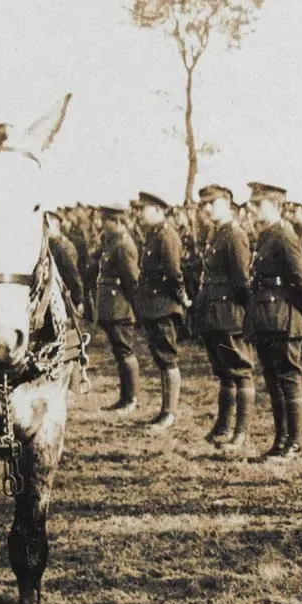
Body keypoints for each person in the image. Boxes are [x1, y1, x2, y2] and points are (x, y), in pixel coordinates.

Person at [245, 182, 302, 462]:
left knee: (288, 379)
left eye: (258, 204)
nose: (252, 209)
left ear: (274, 205)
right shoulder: (266, 235)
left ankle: (293, 444)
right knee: (273, 380)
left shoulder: (284, 234)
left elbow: (300, 279)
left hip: (284, 317)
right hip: (267, 317)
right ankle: (281, 440)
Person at [192, 185, 256, 450]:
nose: (207, 209)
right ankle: (222, 427)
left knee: (240, 372)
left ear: (227, 203)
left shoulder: (234, 234)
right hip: (214, 314)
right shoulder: (216, 234)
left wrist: (243, 314)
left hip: (230, 314)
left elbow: (242, 281)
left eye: (212, 203)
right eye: (204, 204)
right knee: (225, 372)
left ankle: (240, 433)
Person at [130, 192, 188, 431]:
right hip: (154, 307)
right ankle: (164, 411)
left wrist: (180, 298)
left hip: (164, 306)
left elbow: (174, 273)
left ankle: (170, 413)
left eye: (144, 209)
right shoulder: (155, 234)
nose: (140, 213)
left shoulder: (167, 235)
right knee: (161, 359)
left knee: (168, 359)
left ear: (156, 209)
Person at [93, 204, 145, 415]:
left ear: (117, 221)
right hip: (111, 306)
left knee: (125, 351)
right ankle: (124, 398)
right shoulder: (112, 241)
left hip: (120, 306)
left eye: (105, 221)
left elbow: (132, 281)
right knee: (119, 352)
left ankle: (131, 399)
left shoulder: (123, 244)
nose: (101, 225)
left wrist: (137, 309)